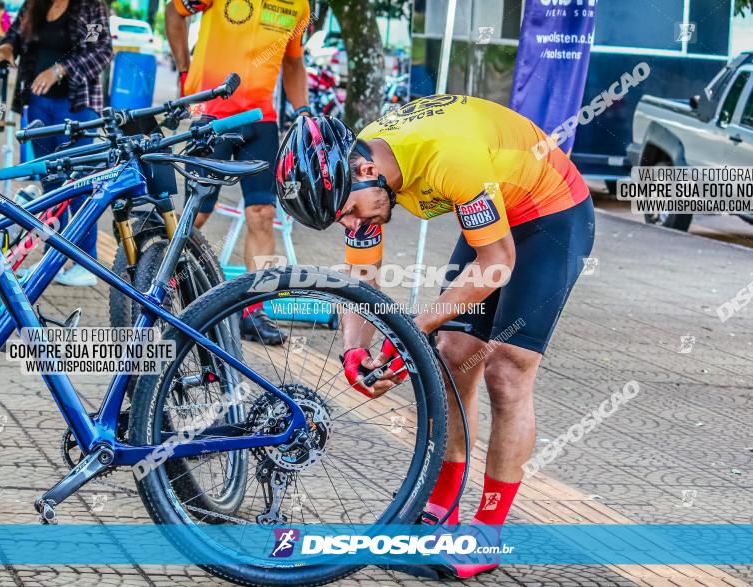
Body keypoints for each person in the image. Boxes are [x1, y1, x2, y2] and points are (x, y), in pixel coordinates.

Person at [276, 96, 595, 578]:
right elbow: (361, 280)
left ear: (364, 168)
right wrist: (354, 349)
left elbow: (497, 264)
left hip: (552, 213)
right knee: (452, 355)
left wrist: (412, 333)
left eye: (347, 212)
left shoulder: (447, 157)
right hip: (494, 204)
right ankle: (442, 507)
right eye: (341, 221)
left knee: (507, 370)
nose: (352, 225)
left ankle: (487, 534)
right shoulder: (363, 172)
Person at [165, 0, 311, 345]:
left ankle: (253, 311)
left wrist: (303, 110)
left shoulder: (300, 5)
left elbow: (294, 61)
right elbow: (174, 12)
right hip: (211, 114)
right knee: (197, 213)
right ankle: (159, 291)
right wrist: (185, 72)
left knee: (262, 213)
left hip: (261, 120)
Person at [0, 0, 112, 287]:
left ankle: (85, 262)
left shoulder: (90, 6)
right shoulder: (35, 4)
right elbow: (16, 35)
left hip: (77, 107)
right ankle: (53, 257)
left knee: (78, 184)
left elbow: (101, 51)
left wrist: (60, 69)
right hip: (39, 105)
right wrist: (6, 48)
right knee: (51, 185)